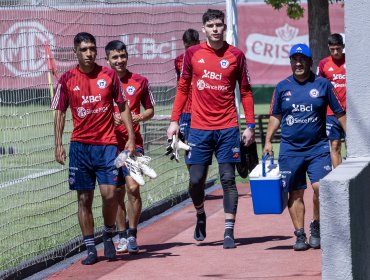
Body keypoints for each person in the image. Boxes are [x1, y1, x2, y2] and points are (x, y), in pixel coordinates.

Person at [167, 9, 256, 249]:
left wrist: (250, 125)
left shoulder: (236, 55)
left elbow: (246, 91)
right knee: (196, 181)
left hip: (227, 128)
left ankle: (229, 232)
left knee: (228, 178)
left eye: (219, 25)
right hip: (198, 129)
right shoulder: (193, 54)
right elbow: (183, 88)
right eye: (211, 25)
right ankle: (200, 214)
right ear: (204, 29)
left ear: (224, 27)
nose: (216, 29)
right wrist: (174, 121)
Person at [51, 32, 135, 265]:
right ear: (75, 52)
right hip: (80, 147)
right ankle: (90, 248)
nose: (90, 53)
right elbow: (59, 112)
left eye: (92, 49)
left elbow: (123, 105)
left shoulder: (108, 75)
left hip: (107, 146)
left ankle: (108, 234)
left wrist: (130, 138)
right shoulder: (67, 79)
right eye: (85, 49)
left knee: (110, 195)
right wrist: (58, 144)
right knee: (84, 199)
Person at [263, 43, 346, 251]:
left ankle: (316, 226)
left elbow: (339, 112)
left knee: (321, 189)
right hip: (291, 150)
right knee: (295, 193)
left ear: (310, 62)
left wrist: (352, 136)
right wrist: (267, 141)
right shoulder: (283, 87)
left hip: (318, 148)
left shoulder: (323, 85)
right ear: (291, 62)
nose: (298, 63)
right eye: (294, 60)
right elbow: (276, 116)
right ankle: (300, 235)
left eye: (302, 60)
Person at [105, 40, 155, 254]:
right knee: (115, 192)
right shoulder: (101, 81)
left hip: (133, 145)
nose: (119, 61)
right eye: (115, 57)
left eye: (122, 56)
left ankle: (133, 234)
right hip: (108, 146)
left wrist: (139, 117)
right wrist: (111, 117)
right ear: (107, 59)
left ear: (127, 56)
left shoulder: (140, 81)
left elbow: (150, 109)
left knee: (133, 188)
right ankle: (122, 235)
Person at [317, 33, 346, 168]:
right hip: (331, 113)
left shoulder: (350, 61)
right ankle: (339, 179)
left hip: (349, 113)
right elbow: (319, 87)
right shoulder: (323, 64)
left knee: (353, 147)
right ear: (328, 48)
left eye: (338, 48)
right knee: (335, 145)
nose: (335, 52)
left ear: (343, 47)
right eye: (332, 49)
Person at [174, 28, 200, 143]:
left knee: (198, 144)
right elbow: (179, 85)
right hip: (186, 111)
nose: (189, 51)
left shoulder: (205, 59)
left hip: (201, 109)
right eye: (187, 47)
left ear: (198, 44)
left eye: (193, 47)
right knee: (186, 144)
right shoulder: (179, 60)